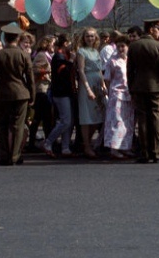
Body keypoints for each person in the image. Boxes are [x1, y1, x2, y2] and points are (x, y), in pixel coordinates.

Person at [0, 24, 35, 166]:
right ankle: (15, 156)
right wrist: (32, 96)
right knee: (18, 126)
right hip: (21, 94)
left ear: (6, 38)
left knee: (2, 125)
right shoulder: (24, 54)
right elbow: (30, 78)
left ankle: (4, 155)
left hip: (3, 93)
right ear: (17, 38)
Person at [127, 19, 159, 163]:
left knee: (142, 120)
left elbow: (130, 71)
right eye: (158, 29)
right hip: (156, 88)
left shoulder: (133, 46)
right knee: (156, 120)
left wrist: (131, 88)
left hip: (138, 87)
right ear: (152, 29)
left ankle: (144, 152)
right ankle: (157, 152)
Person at [43, 34, 76, 157]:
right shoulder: (59, 56)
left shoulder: (64, 56)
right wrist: (71, 61)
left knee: (69, 120)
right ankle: (48, 142)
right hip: (61, 92)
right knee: (65, 120)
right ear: (66, 43)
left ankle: (65, 147)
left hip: (67, 91)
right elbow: (63, 73)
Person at [103, 33, 134, 159]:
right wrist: (110, 92)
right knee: (117, 122)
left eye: (123, 46)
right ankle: (114, 149)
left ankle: (125, 147)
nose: (121, 49)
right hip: (117, 94)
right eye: (119, 46)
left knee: (128, 123)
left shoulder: (130, 60)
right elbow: (107, 78)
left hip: (129, 94)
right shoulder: (113, 60)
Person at [76, 27, 105, 159]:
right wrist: (87, 88)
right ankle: (87, 146)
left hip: (97, 84)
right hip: (87, 83)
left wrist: (103, 84)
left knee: (98, 115)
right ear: (84, 38)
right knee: (87, 116)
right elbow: (81, 70)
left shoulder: (96, 51)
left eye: (92, 36)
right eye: (88, 36)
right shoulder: (81, 51)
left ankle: (86, 142)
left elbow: (99, 70)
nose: (90, 38)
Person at [27, 35, 55, 152]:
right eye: (52, 44)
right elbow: (35, 70)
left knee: (41, 117)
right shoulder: (41, 55)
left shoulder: (46, 55)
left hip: (46, 88)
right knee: (41, 117)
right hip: (41, 89)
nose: (54, 46)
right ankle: (37, 142)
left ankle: (36, 141)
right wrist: (48, 71)